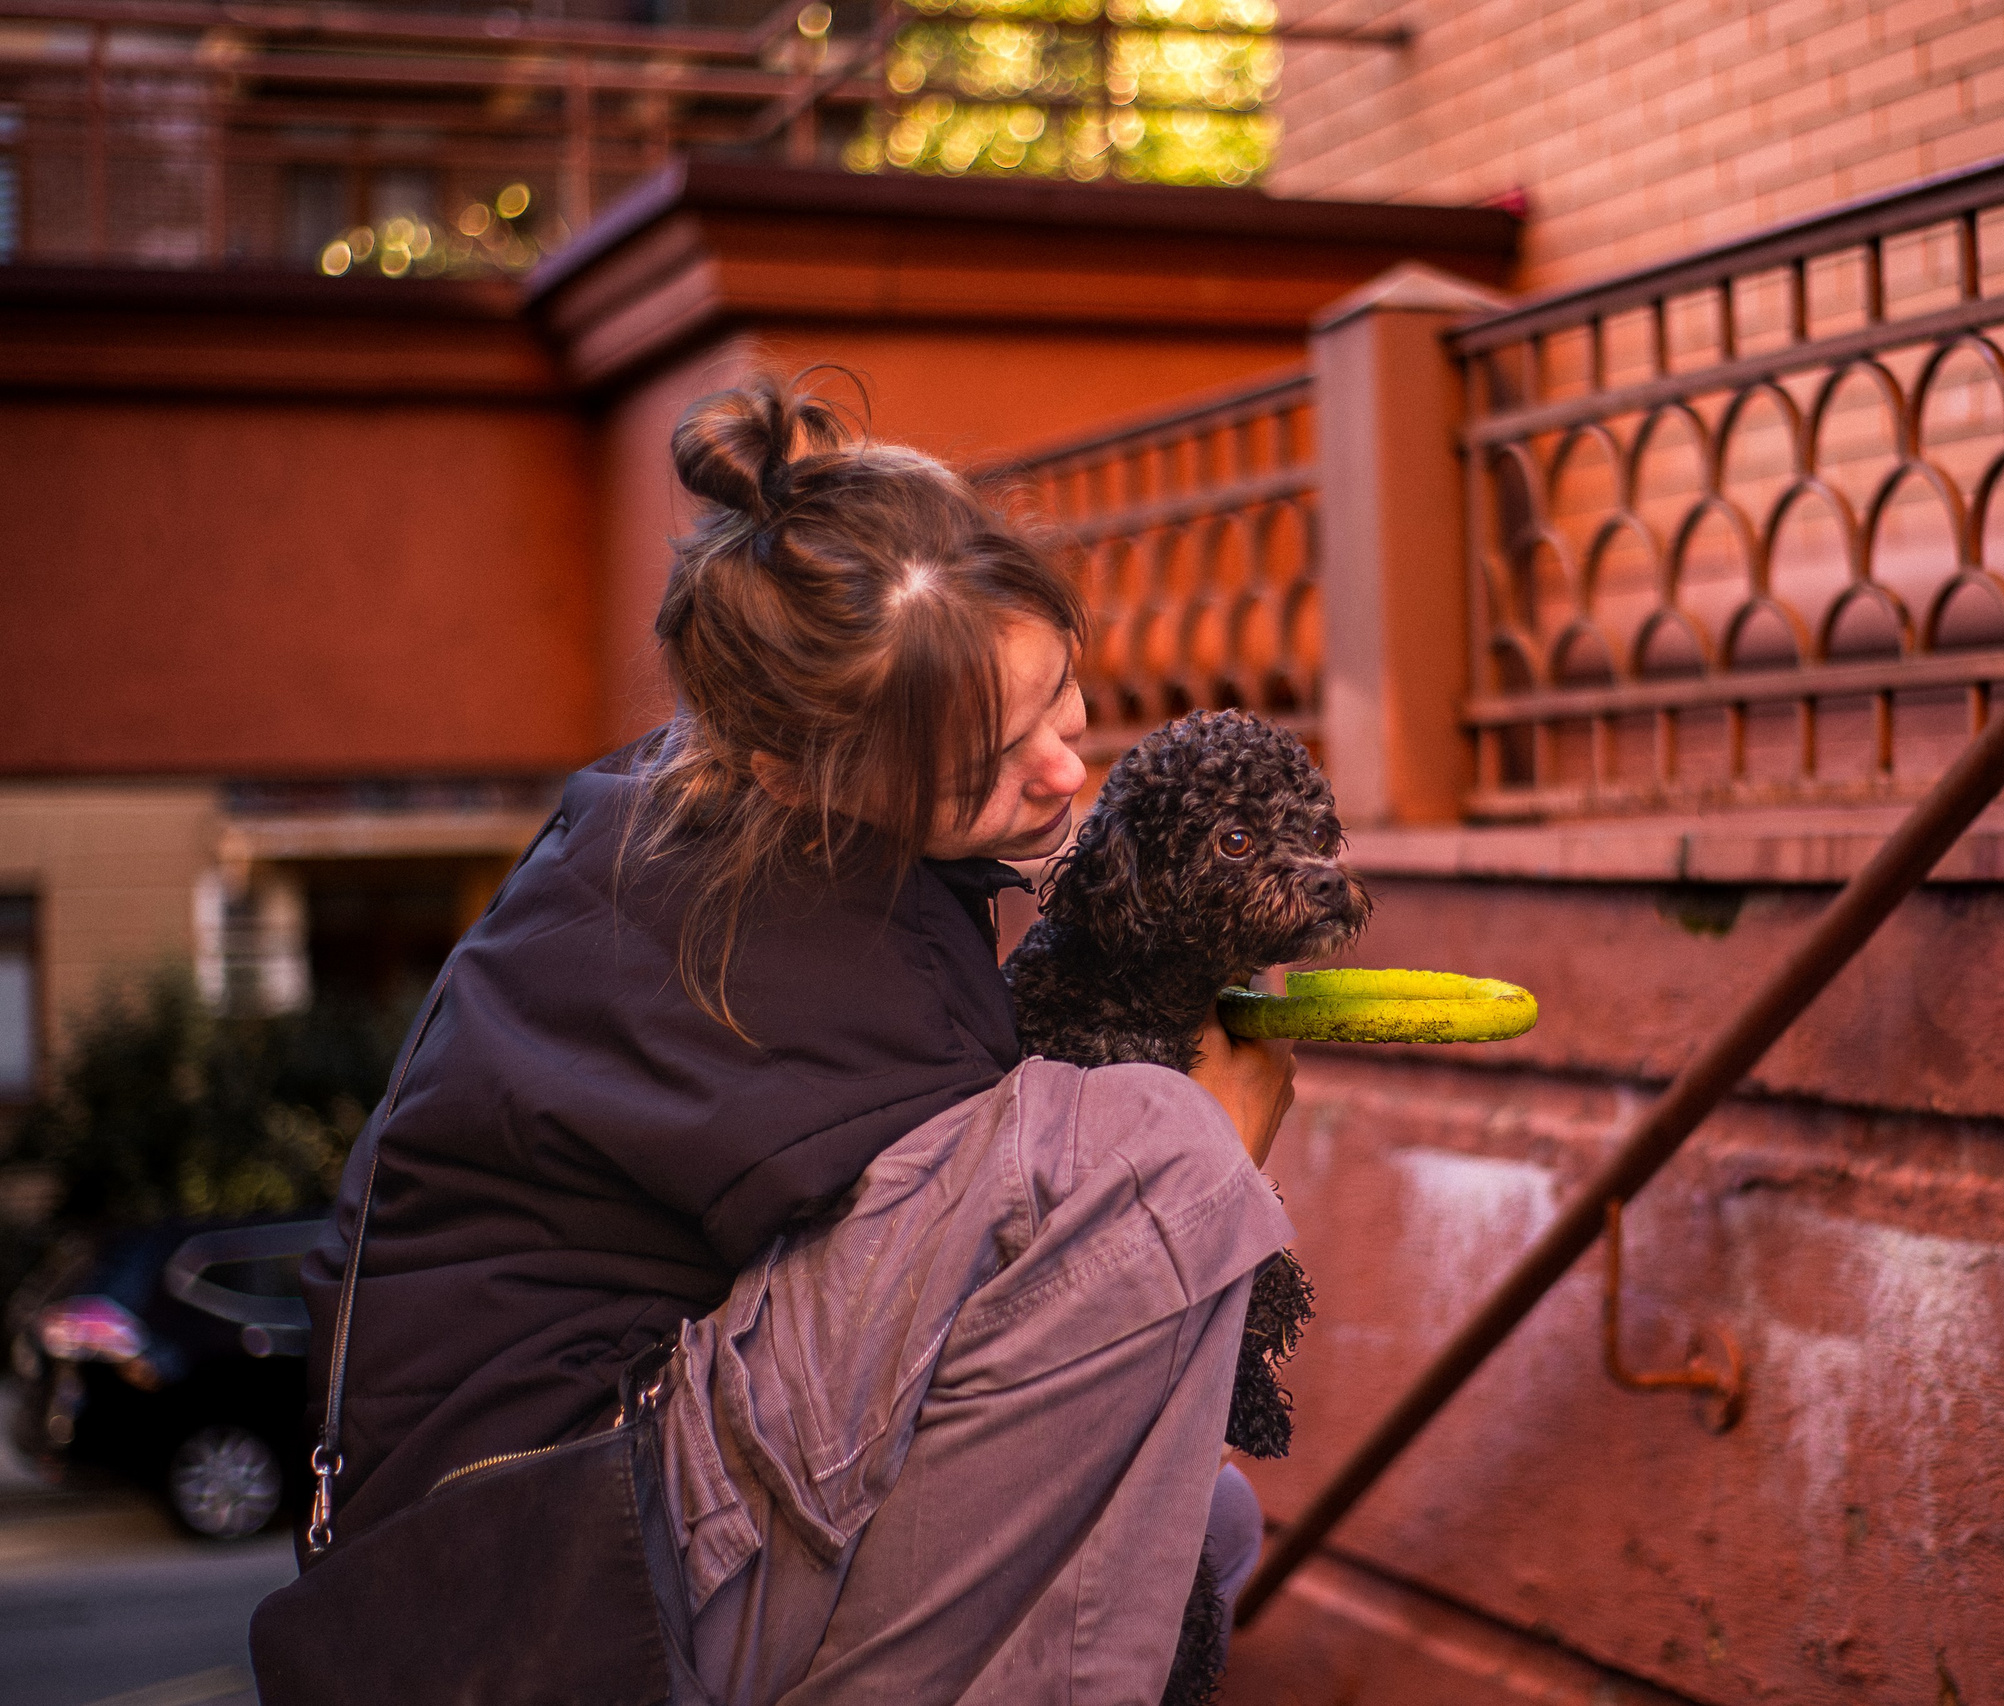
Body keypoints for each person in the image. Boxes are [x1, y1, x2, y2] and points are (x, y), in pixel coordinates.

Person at [301, 372, 1298, 1703]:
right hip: (566, 1576)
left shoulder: (680, 803)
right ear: (800, 773)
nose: (1063, 770)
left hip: (525, 1526)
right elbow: (1033, 1293)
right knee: (1155, 1158)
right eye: (980, 767)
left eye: (1059, 693)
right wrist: (1224, 1146)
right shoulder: (814, 955)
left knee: (1203, 1522)